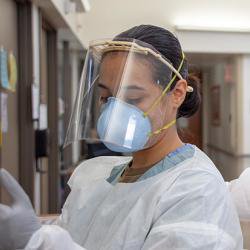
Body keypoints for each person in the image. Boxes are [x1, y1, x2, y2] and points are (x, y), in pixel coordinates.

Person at [0, 25, 243, 250]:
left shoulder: (195, 191)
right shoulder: (99, 177)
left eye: (133, 99)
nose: (115, 115)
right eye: (107, 99)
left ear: (177, 93)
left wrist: (40, 243)